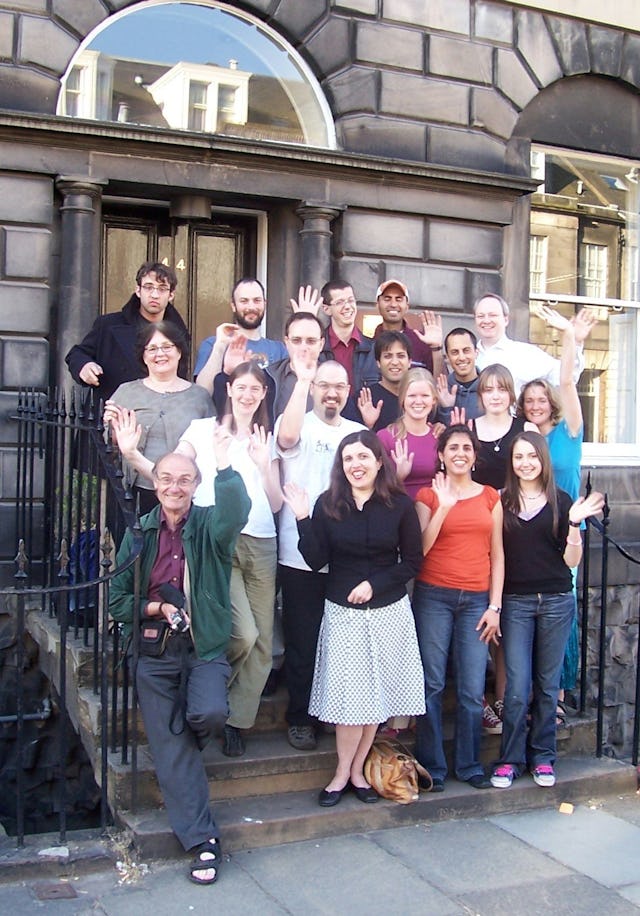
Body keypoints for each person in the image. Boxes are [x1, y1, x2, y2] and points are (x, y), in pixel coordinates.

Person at [109, 447, 250, 885]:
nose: (174, 487)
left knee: (209, 713)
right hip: (154, 653)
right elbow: (117, 600)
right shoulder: (139, 533)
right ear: (155, 483)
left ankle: (178, 751)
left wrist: (225, 466)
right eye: (167, 479)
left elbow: (236, 513)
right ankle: (203, 840)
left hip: (203, 646)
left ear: (196, 485)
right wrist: (156, 608)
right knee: (171, 747)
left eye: (184, 479)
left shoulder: (210, 526)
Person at [284, 431, 425, 806]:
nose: (355, 465)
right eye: (348, 458)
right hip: (343, 614)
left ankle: (357, 772)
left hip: (389, 613)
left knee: (375, 699)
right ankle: (342, 773)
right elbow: (315, 559)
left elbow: (412, 562)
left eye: (363, 457)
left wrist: (374, 585)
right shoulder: (328, 504)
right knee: (350, 702)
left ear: (379, 462)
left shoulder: (399, 505)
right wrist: (302, 517)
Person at [177, 362, 282, 757]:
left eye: (256, 388)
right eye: (242, 387)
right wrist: (134, 454)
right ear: (229, 389)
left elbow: (275, 502)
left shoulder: (267, 436)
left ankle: (237, 720)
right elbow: (174, 470)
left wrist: (263, 463)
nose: (248, 395)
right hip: (221, 538)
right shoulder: (203, 430)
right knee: (243, 634)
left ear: (264, 394)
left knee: (264, 643)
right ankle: (210, 689)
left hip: (263, 541)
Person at [490, 432, 603, 790]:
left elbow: (571, 560)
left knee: (547, 684)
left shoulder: (561, 500)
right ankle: (510, 759)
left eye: (532, 456)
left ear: (543, 460)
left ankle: (542, 757)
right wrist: (495, 604)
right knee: (516, 687)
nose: (525, 463)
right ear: (512, 462)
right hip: (516, 603)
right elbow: (498, 557)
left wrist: (574, 524)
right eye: (519, 457)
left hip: (556, 600)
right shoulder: (501, 501)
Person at [276, 360, 365, 750]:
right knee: (303, 641)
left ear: (348, 391)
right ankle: (300, 718)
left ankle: (332, 711)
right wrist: (303, 377)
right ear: (313, 389)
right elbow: (286, 438)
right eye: (324, 385)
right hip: (298, 554)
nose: (332, 393)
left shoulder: (359, 434)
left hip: (346, 557)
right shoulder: (297, 425)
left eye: (339, 386)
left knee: (342, 645)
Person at [413, 424, 504, 791]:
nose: (460, 454)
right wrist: (444, 506)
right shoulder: (427, 495)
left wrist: (495, 605)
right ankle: (432, 766)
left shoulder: (490, 496)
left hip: (477, 601)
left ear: (474, 455)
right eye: (452, 448)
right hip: (434, 595)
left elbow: (497, 554)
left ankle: (469, 764)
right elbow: (419, 549)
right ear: (441, 455)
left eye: (466, 448)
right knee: (432, 683)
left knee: (471, 687)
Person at [518, 305, 597, 723]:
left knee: (561, 613)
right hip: (531, 532)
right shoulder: (525, 439)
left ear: (551, 403)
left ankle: (558, 695)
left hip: (566, 528)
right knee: (528, 615)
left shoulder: (570, 431)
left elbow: (567, 380)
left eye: (541, 399)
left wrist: (569, 335)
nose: (536, 404)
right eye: (528, 400)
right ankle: (531, 694)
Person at [104, 321, 213, 514]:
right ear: (144, 356)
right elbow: (106, 444)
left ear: (179, 352)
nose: (159, 354)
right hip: (131, 492)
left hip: (183, 494)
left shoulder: (200, 397)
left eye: (167, 347)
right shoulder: (125, 392)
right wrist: (112, 431)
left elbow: (210, 447)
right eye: (152, 349)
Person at [66, 261, 188, 402]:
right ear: (138, 290)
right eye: (148, 287)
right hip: (113, 407)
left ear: (171, 295)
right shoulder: (108, 324)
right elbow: (77, 353)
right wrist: (84, 366)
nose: (154, 295)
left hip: (160, 409)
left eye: (162, 289)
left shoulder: (179, 333)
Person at [474, 293, 586, 396]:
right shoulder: (467, 356)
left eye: (493, 315)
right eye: (480, 316)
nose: (486, 320)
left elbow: (565, 378)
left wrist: (574, 341)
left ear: (506, 319)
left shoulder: (525, 353)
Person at [194, 277, 287, 393]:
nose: (251, 307)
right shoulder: (213, 344)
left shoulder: (279, 349)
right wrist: (220, 348)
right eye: (244, 301)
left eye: (257, 300)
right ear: (233, 306)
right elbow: (202, 393)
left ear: (265, 304)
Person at [319, 280, 380, 417]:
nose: (347, 306)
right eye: (340, 302)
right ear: (326, 309)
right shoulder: (318, 349)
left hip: (364, 424)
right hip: (325, 422)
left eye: (351, 301)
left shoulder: (373, 349)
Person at [471, 364, 536, 491]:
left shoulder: (528, 429)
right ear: (480, 395)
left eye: (502, 389)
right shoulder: (468, 429)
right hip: (479, 502)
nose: (495, 396)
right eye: (488, 390)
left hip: (518, 501)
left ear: (510, 393)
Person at [377, 367, 439, 500]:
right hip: (399, 507)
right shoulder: (385, 437)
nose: (418, 401)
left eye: (425, 396)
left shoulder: (439, 435)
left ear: (434, 399)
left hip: (436, 507)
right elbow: (375, 488)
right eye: (412, 396)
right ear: (402, 398)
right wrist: (399, 476)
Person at [374, 279, 443, 374]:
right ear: (377, 305)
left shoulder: (422, 341)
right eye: (387, 299)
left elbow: (440, 380)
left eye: (399, 299)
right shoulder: (367, 344)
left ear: (407, 306)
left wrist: (436, 348)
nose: (393, 304)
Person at [356, 330, 411, 432]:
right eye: (387, 356)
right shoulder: (363, 398)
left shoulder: (420, 398)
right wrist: (368, 426)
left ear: (409, 362)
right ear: (378, 363)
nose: (395, 362)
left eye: (400, 356)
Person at [436, 327, 483, 424]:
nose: (461, 357)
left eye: (466, 350)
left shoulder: (489, 388)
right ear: (447, 357)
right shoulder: (442, 391)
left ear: (476, 352)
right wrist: (446, 409)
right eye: (455, 352)